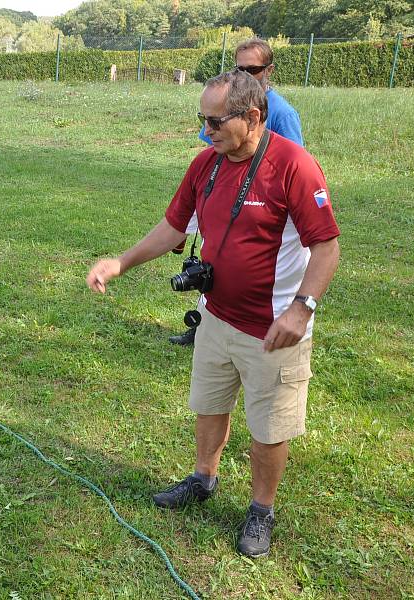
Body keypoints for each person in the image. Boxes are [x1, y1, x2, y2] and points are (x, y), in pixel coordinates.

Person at [87, 70, 340, 558]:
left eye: (216, 121)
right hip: (215, 316)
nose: (207, 131)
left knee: (270, 427)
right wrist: (119, 262)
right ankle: (204, 478)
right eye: (202, 120)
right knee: (209, 405)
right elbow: (172, 227)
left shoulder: (295, 166)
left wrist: (302, 309)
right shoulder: (206, 163)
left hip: (273, 331)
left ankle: (261, 510)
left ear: (251, 117)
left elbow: (326, 246)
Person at [170, 37, 304, 346]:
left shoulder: (282, 114)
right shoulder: (224, 111)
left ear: (268, 70)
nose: (243, 74)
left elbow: (293, 167)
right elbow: (215, 153)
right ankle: (204, 323)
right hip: (222, 201)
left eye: (251, 69)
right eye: (237, 67)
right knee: (213, 259)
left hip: (257, 212)